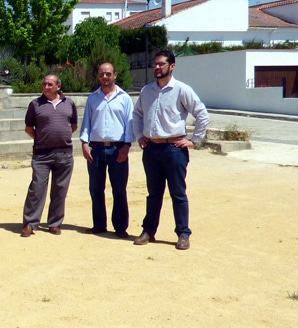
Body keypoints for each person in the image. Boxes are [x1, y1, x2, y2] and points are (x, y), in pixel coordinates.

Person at [132, 50, 209, 250]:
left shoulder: (182, 90)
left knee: (178, 193)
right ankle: (149, 231)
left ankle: (183, 234)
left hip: (174, 149)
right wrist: (139, 135)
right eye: (155, 64)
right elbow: (137, 114)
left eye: (161, 64)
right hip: (151, 149)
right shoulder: (146, 91)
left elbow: (202, 114)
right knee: (153, 193)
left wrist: (194, 140)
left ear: (172, 66)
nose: (157, 67)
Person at [79, 62, 135, 238]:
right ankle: (99, 225)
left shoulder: (124, 98)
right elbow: (86, 123)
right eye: (102, 74)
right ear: (98, 76)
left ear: (115, 75)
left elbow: (130, 125)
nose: (105, 77)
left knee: (119, 189)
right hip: (95, 149)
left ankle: (120, 227)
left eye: (108, 74)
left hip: (118, 149)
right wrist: (84, 143)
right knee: (96, 189)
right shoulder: (92, 98)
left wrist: (126, 147)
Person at [21, 74, 78, 237]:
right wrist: (42, 139)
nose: (46, 87)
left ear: (58, 86)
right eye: (44, 84)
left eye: (50, 84)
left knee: (60, 190)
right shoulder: (35, 104)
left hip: (64, 154)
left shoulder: (69, 103)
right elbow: (29, 128)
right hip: (42, 155)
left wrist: (59, 137)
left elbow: (73, 125)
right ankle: (30, 223)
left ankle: (54, 223)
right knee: (37, 189)